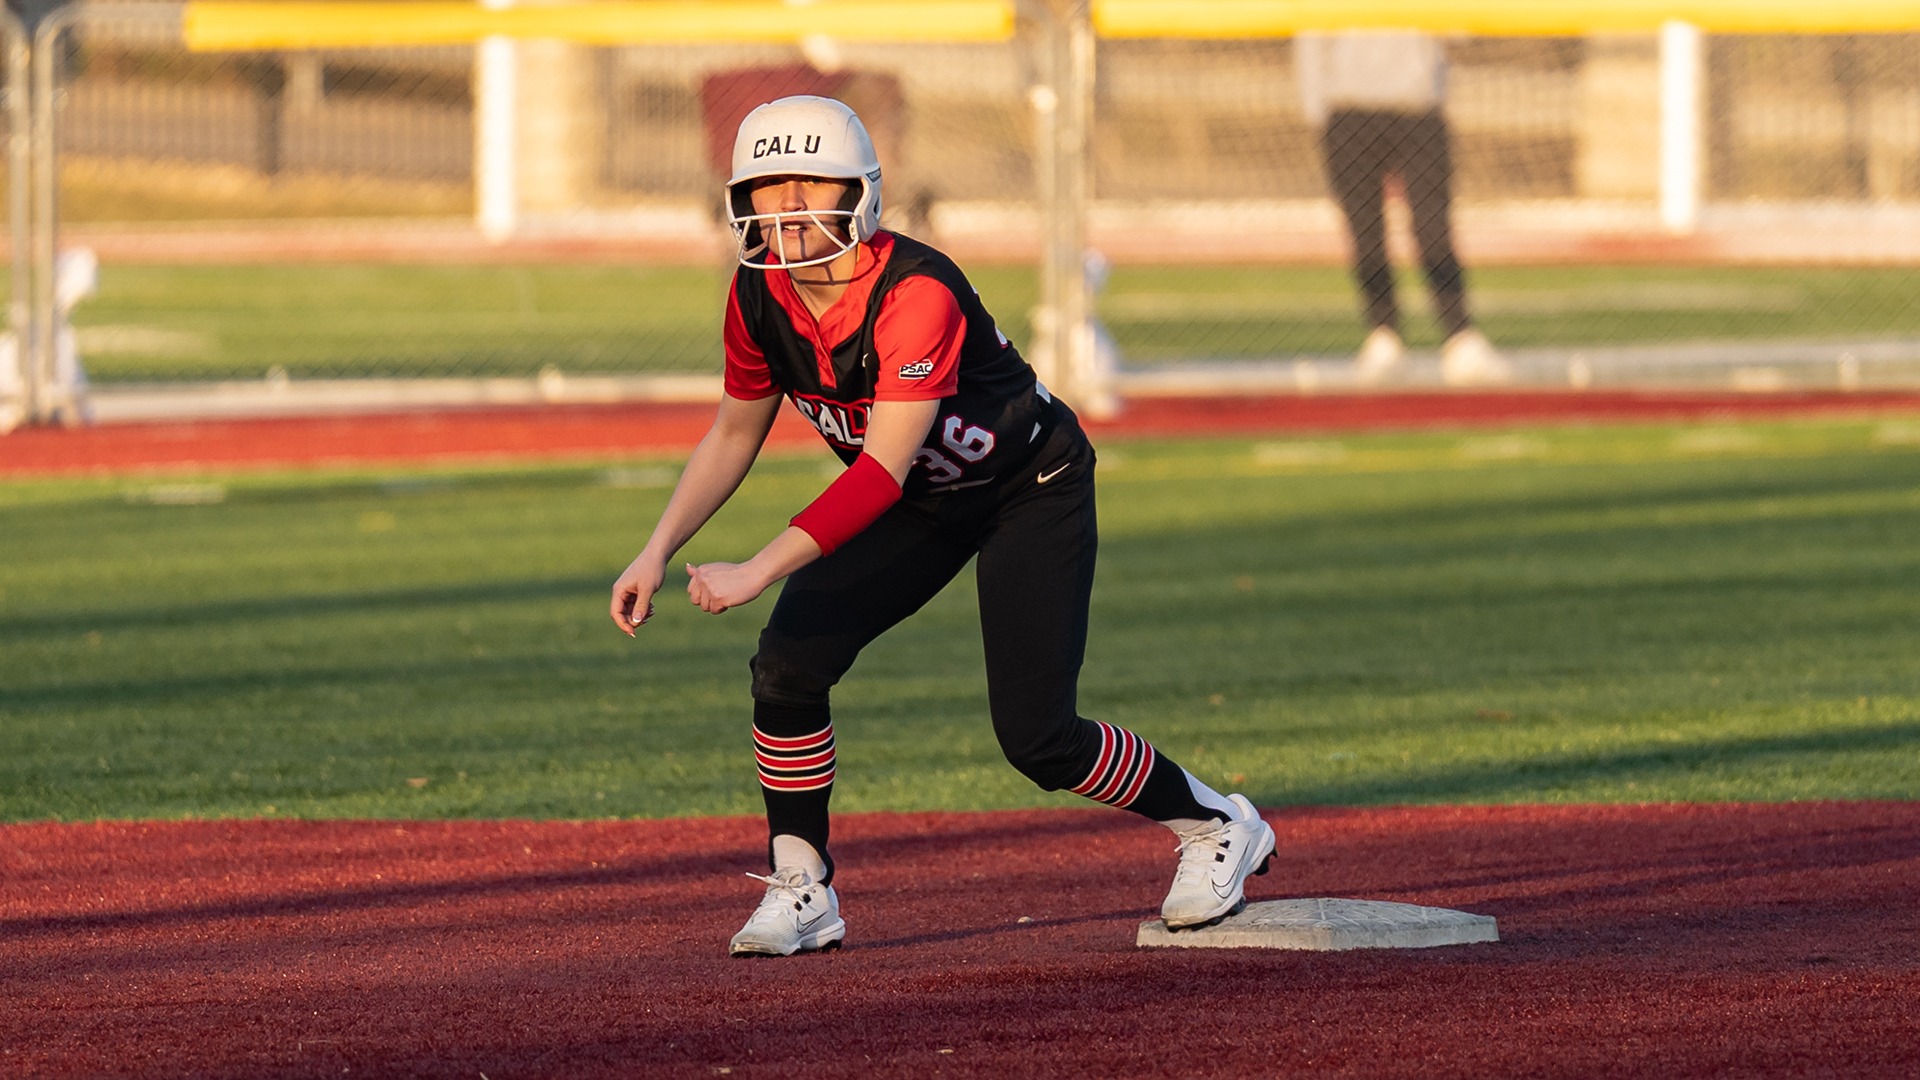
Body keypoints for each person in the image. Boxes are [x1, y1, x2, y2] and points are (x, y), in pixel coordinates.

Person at [609, 95, 1275, 957]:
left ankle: (1217, 824)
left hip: (1026, 485)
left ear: (861, 192)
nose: (790, 206)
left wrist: (758, 567)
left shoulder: (915, 289)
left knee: (1040, 740)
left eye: (812, 181)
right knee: (786, 666)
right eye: (770, 185)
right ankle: (803, 882)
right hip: (924, 496)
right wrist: (659, 548)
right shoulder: (756, 293)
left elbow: (880, 471)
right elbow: (737, 428)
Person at [1296, 31, 1510, 386]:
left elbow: (1463, 30)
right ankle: (1383, 335)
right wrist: (1319, 113)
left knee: (1433, 228)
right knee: (1365, 230)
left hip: (1417, 110)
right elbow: (1311, 39)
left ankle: (1459, 338)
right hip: (1349, 111)